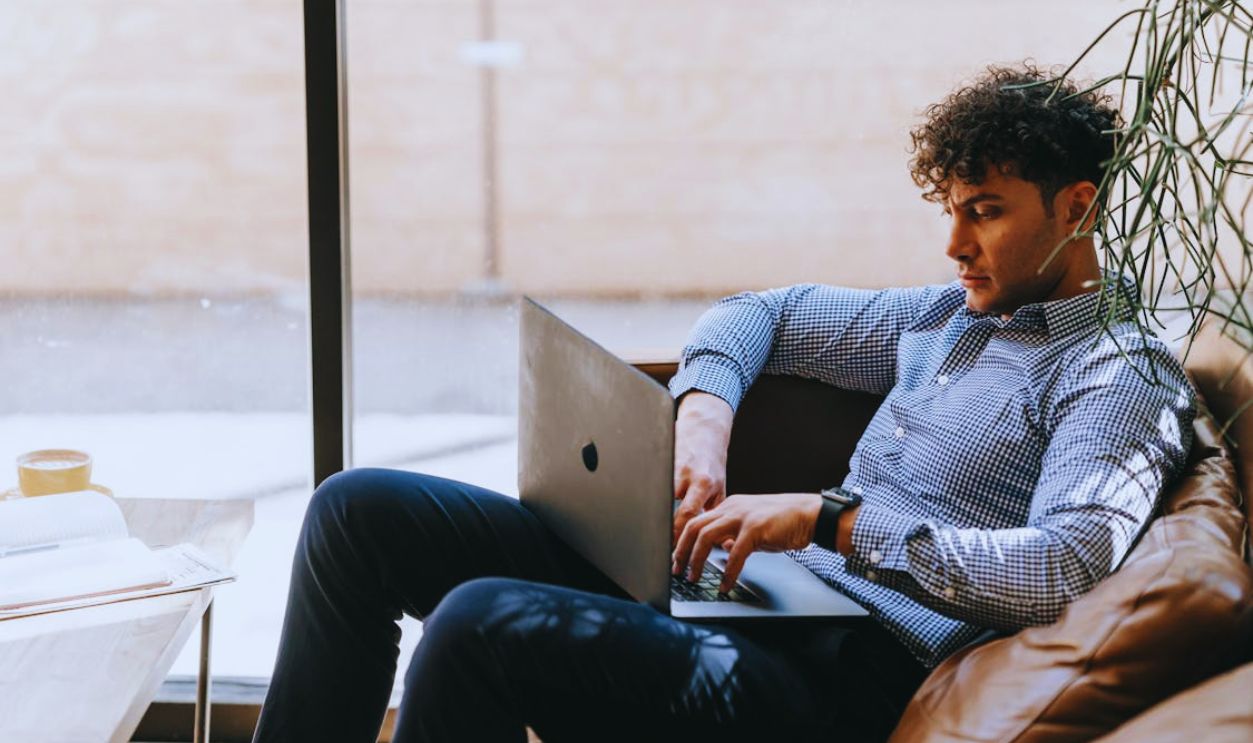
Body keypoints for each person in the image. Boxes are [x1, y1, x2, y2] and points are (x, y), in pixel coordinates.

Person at [252, 63, 1195, 743]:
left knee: (477, 623)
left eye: (983, 209)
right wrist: (699, 422)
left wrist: (830, 523)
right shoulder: (950, 312)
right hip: (767, 610)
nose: (953, 243)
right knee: (357, 510)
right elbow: (759, 315)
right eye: (947, 206)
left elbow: (1060, 567)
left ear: (1076, 208)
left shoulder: (1118, 376)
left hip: (845, 676)